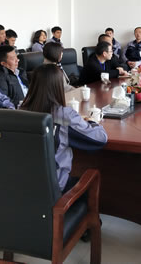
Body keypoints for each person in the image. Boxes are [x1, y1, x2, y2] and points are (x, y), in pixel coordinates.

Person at [20, 64, 107, 192]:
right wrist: (93, 122)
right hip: (55, 188)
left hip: (23, 185)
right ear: (58, 87)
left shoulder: (20, 111)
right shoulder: (64, 115)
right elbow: (100, 139)